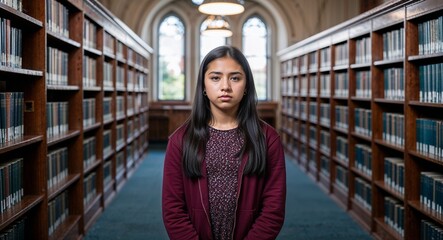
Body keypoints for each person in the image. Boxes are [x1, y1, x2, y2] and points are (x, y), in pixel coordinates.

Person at [162, 45, 286, 240]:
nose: (225, 86)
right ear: (203, 85)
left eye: (235, 78)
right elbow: (173, 210)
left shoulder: (268, 139)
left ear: (246, 86)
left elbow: (273, 210)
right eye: (215, 78)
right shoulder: (180, 140)